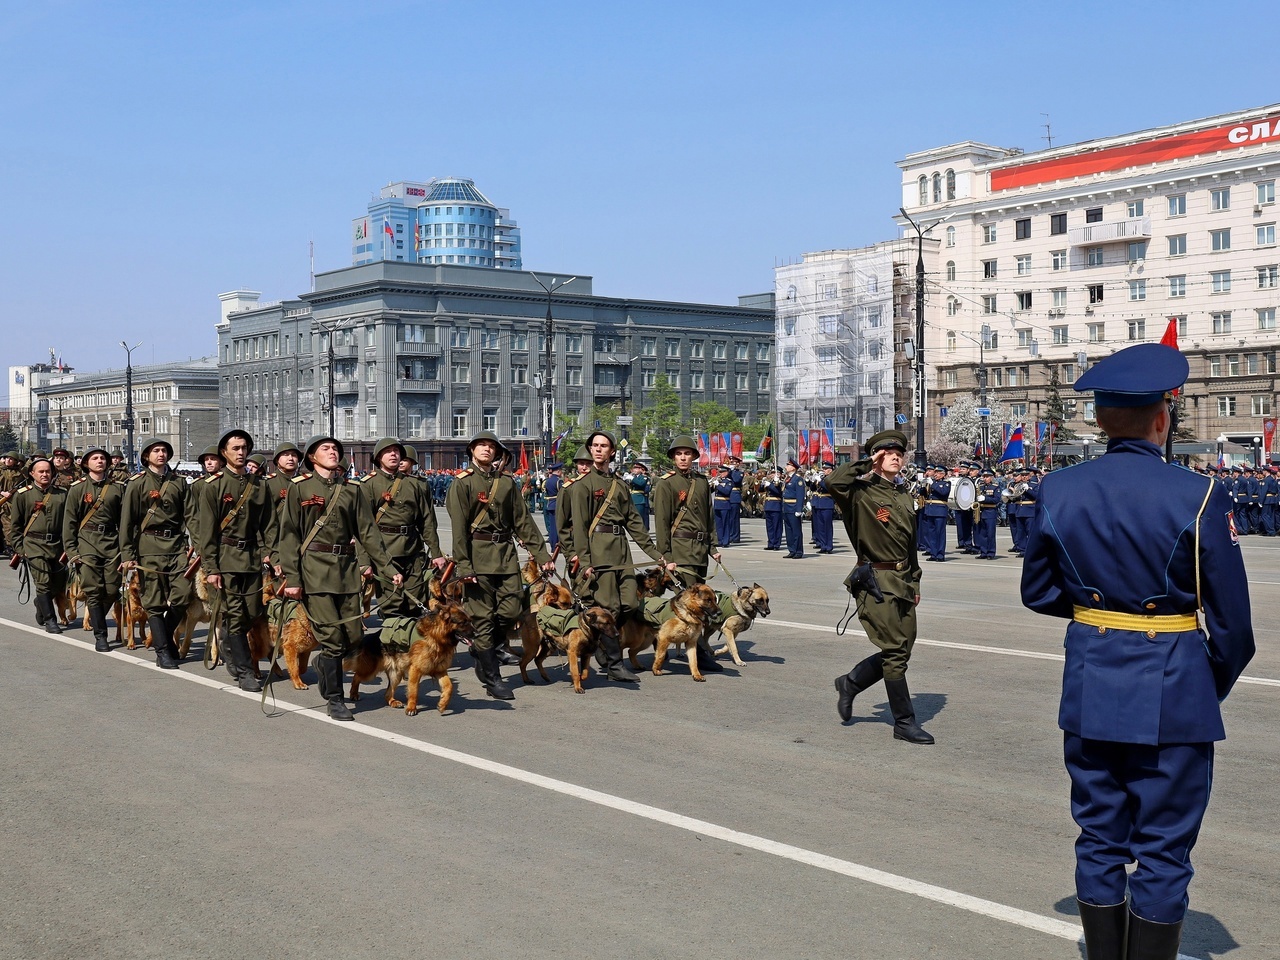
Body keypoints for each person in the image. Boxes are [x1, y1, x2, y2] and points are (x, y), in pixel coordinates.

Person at [1020, 343, 1254, 960]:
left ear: (1099, 419)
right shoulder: (1198, 494)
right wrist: (1204, 680)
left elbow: (1039, 592)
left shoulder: (1059, 488)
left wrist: (1104, 623)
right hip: (1175, 688)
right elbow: (1234, 630)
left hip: (1092, 682)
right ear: (1163, 417)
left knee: (1098, 839)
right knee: (1165, 849)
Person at [278, 435, 400, 720]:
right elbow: (289, 536)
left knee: (354, 636)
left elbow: (368, 533)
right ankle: (336, 699)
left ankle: (326, 665)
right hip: (314, 572)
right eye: (326, 449)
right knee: (332, 638)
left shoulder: (352, 490)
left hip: (346, 572)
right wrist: (293, 578)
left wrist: (389, 568)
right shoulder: (300, 488)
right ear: (312, 457)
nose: (332, 452)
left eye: (335, 449)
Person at [828, 430, 932, 745]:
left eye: (899, 452)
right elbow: (833, 483)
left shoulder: (902, 493)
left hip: (902, 580)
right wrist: (862, 464)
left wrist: (914, 580)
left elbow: (909, 545)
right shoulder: (860, 493)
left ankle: (850, 683)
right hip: (876, 579)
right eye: (887, 452)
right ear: (876, 457)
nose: (895, 456)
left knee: (901, 649)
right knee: (896, 651)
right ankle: (904, 722)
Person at [446, 431, 553, 701]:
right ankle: (493, 678)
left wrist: (542, 555)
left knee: (512, 610)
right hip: (477, 558)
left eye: (492, 446)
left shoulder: (506, 483)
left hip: (505, 556)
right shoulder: (462, 483)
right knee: (482, 619)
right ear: (472, 450)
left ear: (497, 453)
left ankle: (482, 650)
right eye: (481, 445)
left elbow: (523, 521)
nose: (487, 449)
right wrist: (464, 566)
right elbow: (459, 530)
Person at [566, 430, 669, 681]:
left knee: (631, 603)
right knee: (608, 607)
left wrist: (655, 554)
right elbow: (578, 526)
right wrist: (585, 561)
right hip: (597, 549)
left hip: (621, 550)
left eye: (604, 446)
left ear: (612, 451)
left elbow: (634, 523)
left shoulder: (619, 485)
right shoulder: (582, 486)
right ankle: (614, 664)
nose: (599, 449)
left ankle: (601, 641)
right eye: (595, 445)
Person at [195, 430, 278, 691]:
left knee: (253, 613)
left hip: (252, 558)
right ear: (224, 453)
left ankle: (228, 645)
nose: (241, 452)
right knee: (235, 614)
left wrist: (273, 555)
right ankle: (245, 672)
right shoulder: (213, 486)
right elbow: (206, 530)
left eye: (245, 448)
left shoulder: (260, 485)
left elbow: (270, 525)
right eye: (236, 448)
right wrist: (211, 568)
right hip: (225, 557)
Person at [120, 437, 196, 669]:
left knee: (183, 595)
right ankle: (163, 651)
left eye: (164, 450)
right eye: (156, 451)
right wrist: (127, 555)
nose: (161, 454)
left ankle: (162, 634)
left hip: (175, 545)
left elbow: (191, 516)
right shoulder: (137, 483)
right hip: (148, 546)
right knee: (153, 601)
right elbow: (127, 522)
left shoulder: (179, 483)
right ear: (146, 456)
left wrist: (200, 547)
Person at [652, 435, 723, 671]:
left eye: (687, 454)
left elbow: (708, 517)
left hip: (700, 550)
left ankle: (688, 645)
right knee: (693, 605)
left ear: (694, 457)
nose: (683, 458)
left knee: (699, 603)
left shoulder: (702, 482)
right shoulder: (666, 483)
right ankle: (698, 653)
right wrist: (666, 556)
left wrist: (712, 547)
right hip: (680, 550)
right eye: (679, 454)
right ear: (673, 457)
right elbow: (662, 522)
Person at [356, 437, 446, 621]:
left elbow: (427, 521)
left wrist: (436, 553)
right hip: (385, 553)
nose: (393, 455)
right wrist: (364, 562)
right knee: (392, 605)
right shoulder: (368, 484)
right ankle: (393, 646)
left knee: (416, 603)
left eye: (397, 452)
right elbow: (363, 527)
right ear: (379, 457)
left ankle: (412, 647)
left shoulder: (413, 484)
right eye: (388, 451)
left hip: (413, 551)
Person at [63, 447, 125, 651]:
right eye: (95, 458)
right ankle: (101, 636)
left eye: (102, 458)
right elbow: (69, 522)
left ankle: (98, 619)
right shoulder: (77, 488)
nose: (99, 461)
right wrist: (72, 551)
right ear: (86, 463)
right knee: (94, 590)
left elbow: (124, 522)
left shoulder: (117, 488)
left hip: (111, 543)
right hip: (87, 542)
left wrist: (125, 549)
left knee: (112, 589)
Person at [10, 456, 69, 633]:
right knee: (43, 583)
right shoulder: (23, 495)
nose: (45, 474)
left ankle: (40, 603)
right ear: (32, 474)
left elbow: (69, 522)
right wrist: (21, 550)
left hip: (57, 545)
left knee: (58, 584)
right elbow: (15, 527)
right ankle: (51, 620)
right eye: (41, 471)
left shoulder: (62, 494)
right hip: (34, 545)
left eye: (48, 471)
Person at [920, 465, 951, 562]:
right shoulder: (932, 483)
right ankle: (933, 553)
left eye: (938, 473)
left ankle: (940, 554)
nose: (936, 474)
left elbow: (943, 493)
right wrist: (922, 486)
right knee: (931, 534)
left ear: (943, 474)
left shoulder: (946, 483)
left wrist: (932, 484)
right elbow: (925, 495)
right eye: (935, 472)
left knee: (940, 533)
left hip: (940, 510)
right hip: (930, 510)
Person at [781, 457, 807, 559]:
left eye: (788, 465)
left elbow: (800, 496)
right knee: (788, 531)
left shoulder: (798, 479)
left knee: (796, 531)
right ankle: (791, 550)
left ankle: (798, 551)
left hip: (793, 507)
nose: (786, 467)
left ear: (793, 468)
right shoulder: (787, 478)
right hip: (786, 507)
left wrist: (799, 510)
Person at [809, 460, 836, 554]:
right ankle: (823, 545)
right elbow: (812, 489)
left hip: (827, 503)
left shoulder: (833, 478)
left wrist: (820, 481)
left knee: (827, 526)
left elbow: (829, 488)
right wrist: (813, 481)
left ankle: (829, 546)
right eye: (823, 468)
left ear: (831, 470)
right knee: (820, 527)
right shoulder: (822, 478)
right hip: (819, 504)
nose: (824, 470)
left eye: (826, 469)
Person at [973, 469, 1000, 559]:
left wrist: (985, 498)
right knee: (982, 533)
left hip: (990, 512)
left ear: (991, 477)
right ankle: (983, 552)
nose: (985, 479)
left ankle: (991, 552)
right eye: (984, 477)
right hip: (981, 512)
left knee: (990, 534)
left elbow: (996, 500)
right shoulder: (980, 486)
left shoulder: (995, 487)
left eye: (987, 477)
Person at [542, 462, 563, 550]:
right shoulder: (558, 481)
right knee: (558, 527)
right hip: (557, 505)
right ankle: (557, 546)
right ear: (558, 471)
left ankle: (552, 545)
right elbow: (562, 493)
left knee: (552, 527)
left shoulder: (547, 481)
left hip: (549, 504)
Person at [628, 461, 652, 531]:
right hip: (633, 499)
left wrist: (632, 479)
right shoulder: (634, 477)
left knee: (640, 517)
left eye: (636, 468)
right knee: (633, 518)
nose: (634, 469)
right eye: (634, 468)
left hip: (639, 499)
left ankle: (642, 532)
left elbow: (641, 484)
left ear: (641, 469)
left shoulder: (644, 477)